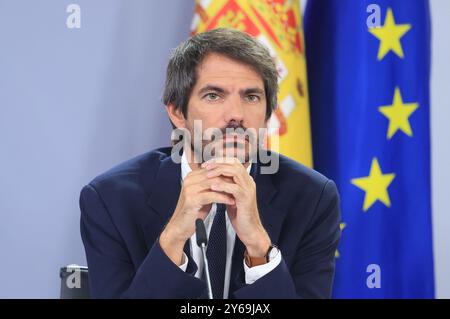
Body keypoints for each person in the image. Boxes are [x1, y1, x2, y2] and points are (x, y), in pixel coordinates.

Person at [80, 28, 341, 299]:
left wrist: (259, 246)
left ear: (266, 117)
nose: (236, 115)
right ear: (177, 113)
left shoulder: (313, 199)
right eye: (213, 96)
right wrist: (172, 239)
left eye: (251, 97)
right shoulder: (110, 200)